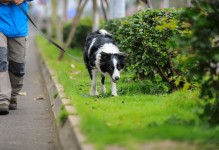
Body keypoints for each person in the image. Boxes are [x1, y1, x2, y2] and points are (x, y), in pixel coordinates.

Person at [0, 0, 33, 115]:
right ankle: (2, 99)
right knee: (1, 61)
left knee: (18, 66)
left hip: (19, 27)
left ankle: (12, 95)